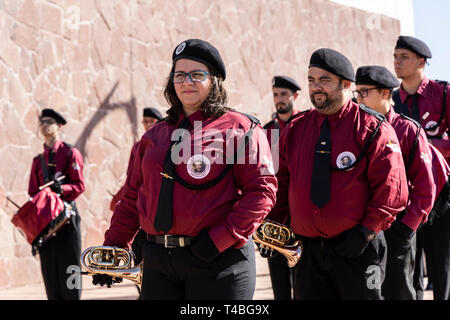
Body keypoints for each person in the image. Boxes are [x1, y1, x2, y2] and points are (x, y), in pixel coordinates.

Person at [95, 39, 277, 300]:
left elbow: (262, 193)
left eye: (197, 74)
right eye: (179, 75)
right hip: (158, 266)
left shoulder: (242, 130)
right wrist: (113, 248)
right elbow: (132, 199)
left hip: (218, 262)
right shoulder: (152, 137)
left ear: (214, 80)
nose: (186, 81)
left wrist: (219, 240)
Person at [272, 48, 409, 300]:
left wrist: (366, 231)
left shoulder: (374, 128)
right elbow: (281, 183)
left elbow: (392, 191)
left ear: (346, 84)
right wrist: (274, 223)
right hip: (307, 253)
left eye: (324, 80)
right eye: (311, 80)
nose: (316, 87)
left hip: (357, 249)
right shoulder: (295, 128)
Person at [354, 65, 435, 300]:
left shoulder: (408, 130)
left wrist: (406, 228)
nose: (359, 99)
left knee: (399, 291)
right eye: (356, 93)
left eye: (365, 92)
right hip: (362, 230)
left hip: (397, 229)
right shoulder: (355, 129)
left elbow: (425, 189)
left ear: (385, 93)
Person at [393, 35, 450, 300]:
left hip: (442, 195)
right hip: (405, 197)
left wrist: (425, 145)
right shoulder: (390, 99)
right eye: (395, 56)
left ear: (421, 62)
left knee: (442, 267)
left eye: (404, 56)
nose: (397, 61)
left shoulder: (444, 94)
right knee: (409, 268)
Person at [28, 108, 85, 300]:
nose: (44, 124)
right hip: (46, 225)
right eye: (42, 121)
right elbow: (32, 193)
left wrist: (63, 189)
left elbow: (79, 185)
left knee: (70, 272)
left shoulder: (70, 153)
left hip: (68, 220)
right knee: (51, 278)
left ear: (59, 126)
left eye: (49, 121)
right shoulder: (38, 161)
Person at [108, 106, 163, 297]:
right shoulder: (138, 146)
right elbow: (134, 179)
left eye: (151, 121)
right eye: (145, 121)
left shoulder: (165, 142)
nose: (148, 124)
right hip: (140, 207)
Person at [260, 75, 302, 300]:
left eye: (284, 94)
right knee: (279, 286)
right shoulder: (266, 132)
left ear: (295, 96)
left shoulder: (305, 126)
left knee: (305, 286)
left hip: (302, 216)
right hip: (275, 219)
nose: (279, 99)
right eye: (276, 95)